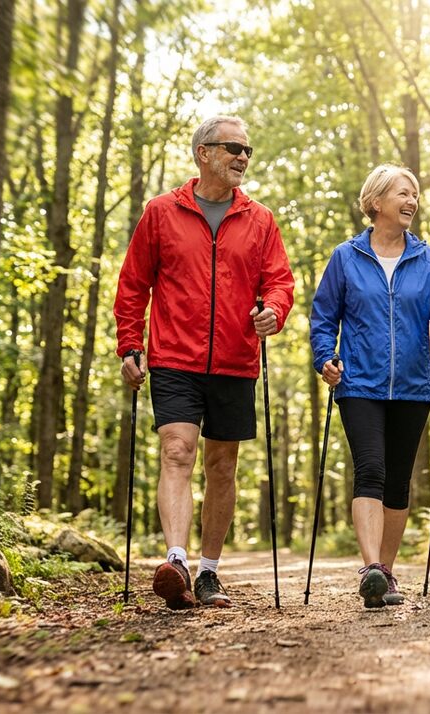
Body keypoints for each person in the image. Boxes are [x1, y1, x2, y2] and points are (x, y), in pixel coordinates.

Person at [115, 115, 296, 610]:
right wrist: (129, 345)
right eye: (232, 148)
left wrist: (273, 311)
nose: (242, 157)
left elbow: (280, 280)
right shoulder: (160, 212)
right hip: (174, 356)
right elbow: (134, 284)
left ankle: (210, 571)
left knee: (222, 464)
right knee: (178, 451)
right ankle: (176, 561)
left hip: (236, 360)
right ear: (203, 153)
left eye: (247, 150)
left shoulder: (259, 219)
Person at [310, 164, 430, 609]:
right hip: (359, 383)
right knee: (371, 471)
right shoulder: (346, 256)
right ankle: (371, 567)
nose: (412, 200)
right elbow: (324, 318)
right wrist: (326, 359)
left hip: (414, 386)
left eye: (415, 193)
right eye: (403, 192)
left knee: (398, 484)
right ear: (376, 202)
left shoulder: (427, 259)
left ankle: (386, 576)